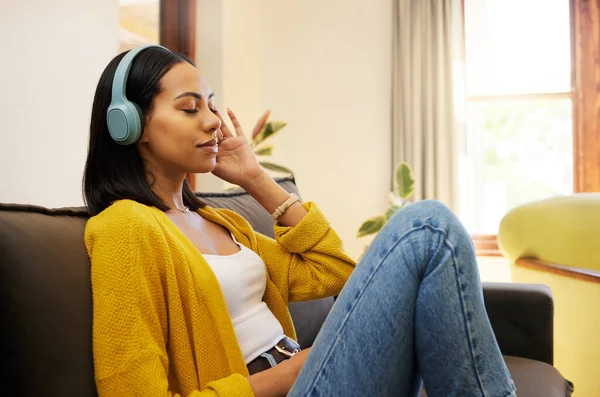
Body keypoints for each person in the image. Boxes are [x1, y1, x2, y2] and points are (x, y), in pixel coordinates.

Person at [83, 45, 516, 397]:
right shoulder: (125, 228)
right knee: (427, 228)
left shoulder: (223, 222)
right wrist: (280, 379)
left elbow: (334, 271)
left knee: (429, 230)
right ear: (131, 125)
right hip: (283, 386)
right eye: (190, 108)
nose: (214, 122)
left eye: (211, 106)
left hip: (304, 376)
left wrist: (256, 179)